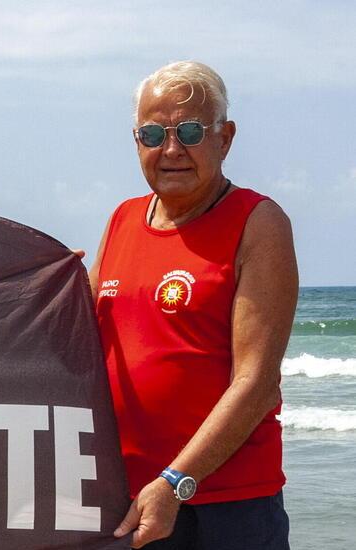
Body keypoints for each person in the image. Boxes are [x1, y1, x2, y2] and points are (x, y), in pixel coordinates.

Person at [89, 61, 297, 549]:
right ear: (136, 140)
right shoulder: (122, 219)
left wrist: (175, 482)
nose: (172, 149)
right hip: (130, 500)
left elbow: (256, 383)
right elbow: (72, 336)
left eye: (190, 131)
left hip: (228, 509)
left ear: (224, 139)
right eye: (154, 133)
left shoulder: (258, 223)